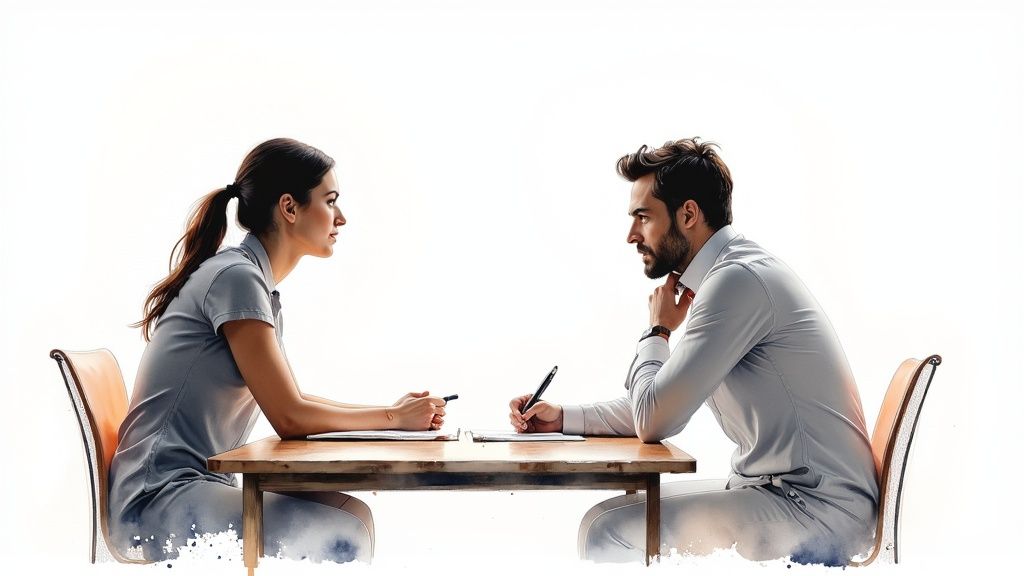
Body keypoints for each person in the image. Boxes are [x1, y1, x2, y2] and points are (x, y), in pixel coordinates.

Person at [508, 138, 878, 565]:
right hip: (783, 494)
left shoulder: (737, 281)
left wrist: (658, 330)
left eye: (643, 217)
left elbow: (655, 419)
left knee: (607, 532)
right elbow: (664, 399)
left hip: (816, 511)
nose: (631, 235)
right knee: (603, 518)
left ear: (688, 214)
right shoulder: (728, 277)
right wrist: (564, 418)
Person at [108, 138, 447, 563]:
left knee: (351, 514)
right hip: (154, 504)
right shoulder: (236, 279)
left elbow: (295, 401)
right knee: (342, 532)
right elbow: (289, 416)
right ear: (289, 208)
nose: (341, 218)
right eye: (330, 200)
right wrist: (395, 420)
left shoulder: (251, 282)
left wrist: (392, 413)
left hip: (182, 491)